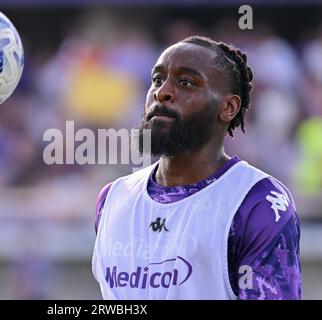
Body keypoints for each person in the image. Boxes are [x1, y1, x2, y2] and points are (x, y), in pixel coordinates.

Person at [92, 36, 302, 300]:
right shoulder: (112, 199)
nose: (162, 92)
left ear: (228, 107)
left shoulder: (257, 203)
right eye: (157, 80)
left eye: (185, 82)